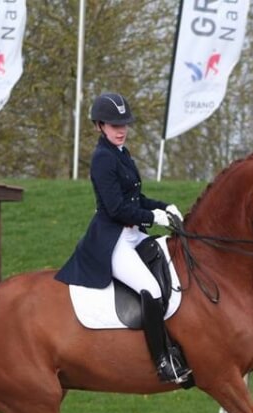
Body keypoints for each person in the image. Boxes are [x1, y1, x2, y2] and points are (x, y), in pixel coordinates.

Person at [55, 92, 191, 384]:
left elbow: (137, 197)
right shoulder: (103, 159)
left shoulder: (122, 154)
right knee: (151, 289)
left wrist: (163, 206)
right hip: (113, 240)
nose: (121, 129)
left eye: (124, 124)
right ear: (99, 126)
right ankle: (163, 361)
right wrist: (152, 217)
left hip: (134, 234)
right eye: (114, 124)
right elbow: (117, 208)